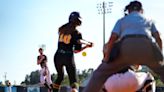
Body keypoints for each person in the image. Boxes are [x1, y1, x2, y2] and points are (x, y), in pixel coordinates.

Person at [83, 1, 163, 92]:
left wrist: (106, 59)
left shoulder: (122, 20)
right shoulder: (148, 20)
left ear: (128, 11)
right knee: (159, 72)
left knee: (98, 75)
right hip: (146, 46)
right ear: (142, 10)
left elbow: (112, 38)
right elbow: (158, 38)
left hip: (126, 46)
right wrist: (159, 57)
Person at [52, 11, 93, 92]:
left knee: (60, 76)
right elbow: (76, 50)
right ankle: (74, 90)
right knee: (73, 80)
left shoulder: (62, 29)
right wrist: (87, 46)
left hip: (57, 56)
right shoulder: (76, 33)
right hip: (68, 56)